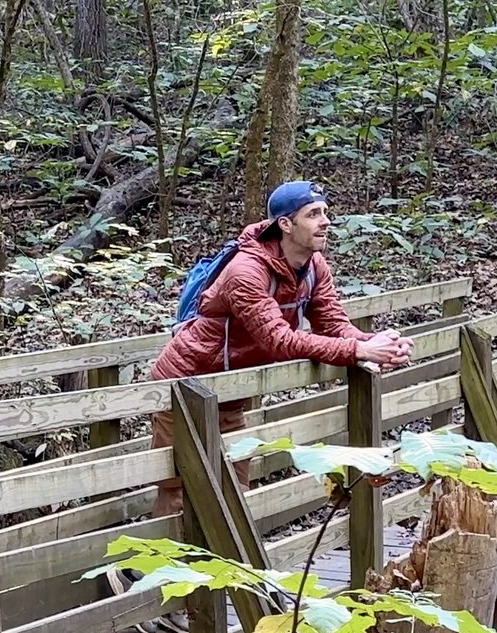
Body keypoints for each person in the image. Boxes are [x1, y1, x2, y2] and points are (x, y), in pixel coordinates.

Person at [146, 179, 415, 519]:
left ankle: (219, 571)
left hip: (230, 394)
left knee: (234, 489)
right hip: (184, 386)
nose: (325, 221)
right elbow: (280, 340)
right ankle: (141, 573)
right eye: (313, 214)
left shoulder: (314, 267)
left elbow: (334, 326)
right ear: (285, 225)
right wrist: (360, 352)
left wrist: (377, 344)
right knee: (180, 491)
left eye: (325, 212)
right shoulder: (246, 271)